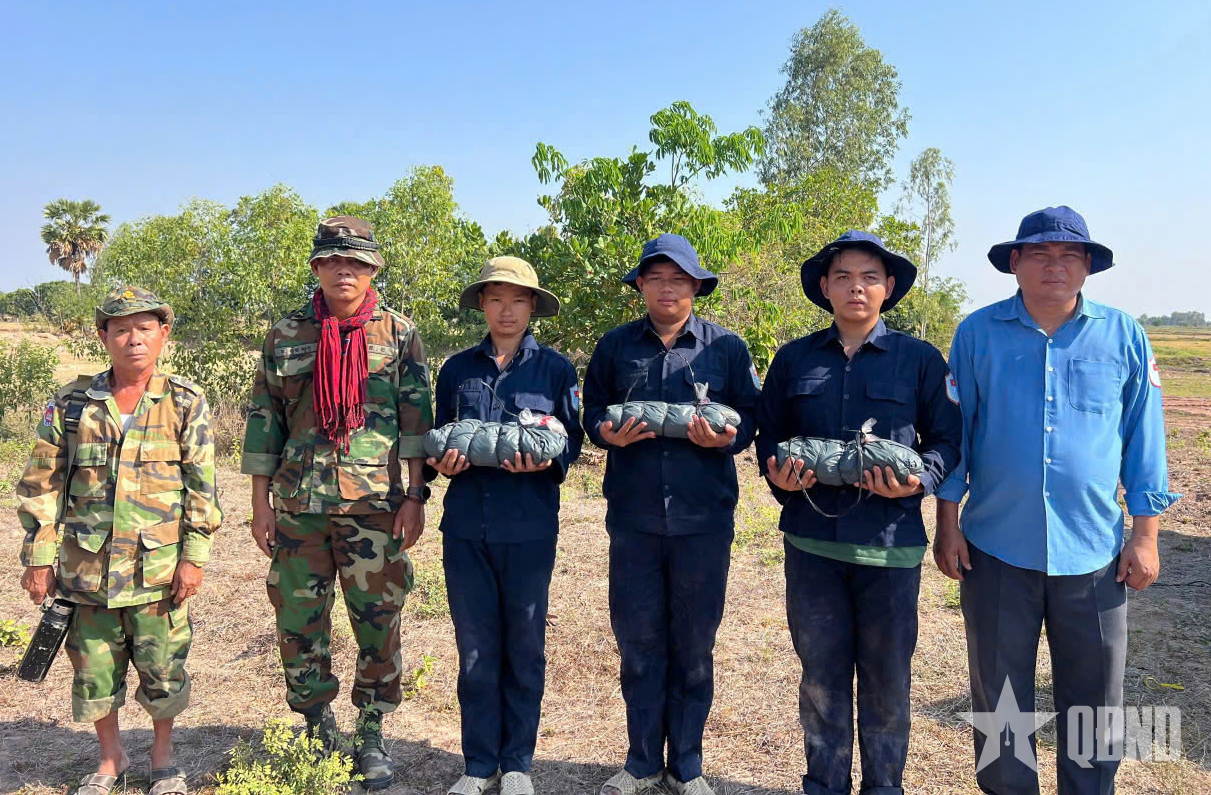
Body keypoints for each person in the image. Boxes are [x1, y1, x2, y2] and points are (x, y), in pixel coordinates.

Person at [933, 206, 1180, 795]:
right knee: (1001, 699)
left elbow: (1145, 438)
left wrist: (1144, 537)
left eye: (1069, 255)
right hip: (995, 546)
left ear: (1088, 267)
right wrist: (947, 523)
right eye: (1039, 255)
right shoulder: (977, 333)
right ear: (1014, 263)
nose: (1054, 266)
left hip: (1093, 552)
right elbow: (956, 434)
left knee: (1094, 701)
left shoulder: (1123, 335)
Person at [755, 230, 962, 795]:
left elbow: (947, 439)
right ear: (824, 287)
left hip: (890, 548)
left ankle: (884, 787)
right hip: (811, 545)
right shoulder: (794, 359)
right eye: (842, 276)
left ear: (888, 288)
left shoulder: (919, 360)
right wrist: (777, 474)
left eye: (869, 277)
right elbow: (769, 435)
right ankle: (824, 785)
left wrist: (920, 479)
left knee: (887, 683)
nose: (856, 287)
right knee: (821, 681)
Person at [241, 216, 434, 790]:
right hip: (299, 505)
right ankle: (317, 723)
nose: (343, 270)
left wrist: (416, 496)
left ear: (372, 268)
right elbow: (264, 424)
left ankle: (372, 729)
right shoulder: (285, 336)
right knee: (298, 621)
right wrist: (260, 504)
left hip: (375, 505)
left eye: (355, 261)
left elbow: (416, 422)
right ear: (317, 268)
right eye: (332, 260)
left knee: (378, 621)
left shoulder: (398, 335)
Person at [17, 287, 222, 795]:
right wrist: (39, 558)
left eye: (145, 328)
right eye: (121, 329)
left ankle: (163, 758)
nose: (134, 339)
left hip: (157, 570)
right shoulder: (71, 404)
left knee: (162, 668)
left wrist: (194, 558)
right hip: (86, 570)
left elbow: (202, 488)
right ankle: (111, 760)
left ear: (163, 335)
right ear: (104, 336)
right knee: (94, 669)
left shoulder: (184, 402)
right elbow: (43, 483)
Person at [582, 234, 761, 795]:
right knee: (638, 642)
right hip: (633, 519)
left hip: (702, 522)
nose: (667, 288)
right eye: (656, 278)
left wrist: (724, 442)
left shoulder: (725, 349)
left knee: (693, 646)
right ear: (640, 285)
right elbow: (589, 412)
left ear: (695, 289)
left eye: (679, 279)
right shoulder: (614, 347)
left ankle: (687, 764)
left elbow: (752, 419)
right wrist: (605, 432)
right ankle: (639, 761)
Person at [427, 257, 583, 795]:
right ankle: (477, 764)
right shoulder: (456, 371)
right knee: (473, 650)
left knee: (524, 646)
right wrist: (439, 463)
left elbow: (572, 445)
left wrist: (547, 462)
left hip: (529, 528)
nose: (507, 309)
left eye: (518, 299)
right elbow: (440, 436)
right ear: (483, 305)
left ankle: (517, 763)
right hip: (467, 527)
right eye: (496, 298)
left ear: (533, 306)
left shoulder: (557, 370)